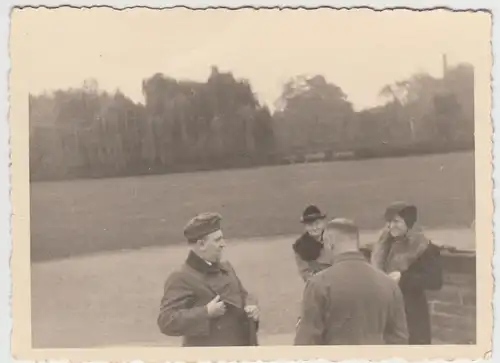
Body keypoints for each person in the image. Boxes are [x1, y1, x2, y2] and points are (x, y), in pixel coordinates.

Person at [294, 218, 409, 345]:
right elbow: (399, 339)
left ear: (329, 243)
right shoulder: (389, 284)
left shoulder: (319, 284)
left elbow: (306, 341)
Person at [157, 212, 260, 346]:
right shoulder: (181, 277)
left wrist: (251, 306)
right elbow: (166, 321)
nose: (223, 244)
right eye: (217, 240)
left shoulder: (227, 268)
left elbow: (243, 295)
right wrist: (205, 312)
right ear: (201, 245)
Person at [371, 202, 443, 345]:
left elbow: (435, 280)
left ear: (408, 222)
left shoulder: (424, 248)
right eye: (389, 222)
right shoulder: (383, 245)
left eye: (396, 221)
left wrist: (403, 278)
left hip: (411, 312)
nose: (391, 226)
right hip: (386, 310)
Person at [292, 205, 334, 282]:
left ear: (323, 223)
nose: (314, 228)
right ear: (305, 227)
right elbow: (306, 274)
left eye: (317, 223)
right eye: (310, 225)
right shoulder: (300, 247)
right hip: (320, 286)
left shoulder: (335, 238)